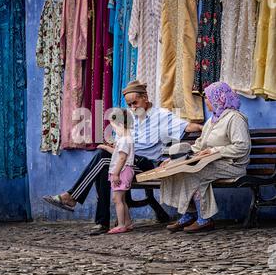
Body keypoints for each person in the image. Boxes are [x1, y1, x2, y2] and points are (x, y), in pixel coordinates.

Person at [43, 80, 203, 235]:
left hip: (147, 162)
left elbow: (187, 126)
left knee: (103, 159)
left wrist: (207, 129)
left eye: (135, 103)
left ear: (145, 98)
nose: (133, 108)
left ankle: (74, 198)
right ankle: (101, 221)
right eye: (129, 105)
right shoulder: (132, 119)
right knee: (104, 163)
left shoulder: (161, 116)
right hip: (130, 160)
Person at [161, 82, 251, 233]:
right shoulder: (213, 120)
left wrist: (215, 150)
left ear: (219, 99)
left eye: (208, 98)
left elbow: (242, 146)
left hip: (232, 165)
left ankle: (205, 219)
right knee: (179, 170)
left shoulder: (235, 118)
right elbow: (199, 146)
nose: (206, 102)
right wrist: (176, 159)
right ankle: (190, 214)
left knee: (195, 173)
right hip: (214, 163)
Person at [103, 109, 135, 234]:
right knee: (121, 199)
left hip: (121, 172)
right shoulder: (126, 139)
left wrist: (115, 174)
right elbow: (118, 154)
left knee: (117, 200)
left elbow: (122, 158)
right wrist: (106, 147)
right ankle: (127, 223)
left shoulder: (124, 140)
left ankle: (121, 224)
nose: (114, 130)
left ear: (120, 124)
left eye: (114, 127)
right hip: (123, 171)